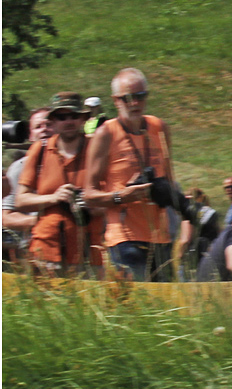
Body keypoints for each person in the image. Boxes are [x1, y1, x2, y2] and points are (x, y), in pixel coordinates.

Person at [85, 69, 175, 281]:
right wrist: (122, 196)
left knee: (166, 308)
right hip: (124, 239)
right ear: (115, 101)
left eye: (140, 96)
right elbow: (88, 195)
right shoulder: (105, 134)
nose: (134, 103)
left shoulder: (159, 128)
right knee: (135, 308)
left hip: (160, 237)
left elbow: (170, 179)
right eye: (127, 98)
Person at [13, 93, 98, 276]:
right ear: (53, 121)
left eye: (74, 116)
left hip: (89, 251)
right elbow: (20, 200)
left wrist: (87, 202)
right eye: (62, 117)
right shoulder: (41, 150)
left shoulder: (96, 148)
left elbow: (111, 199)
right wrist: (55, 197)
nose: (68, 121)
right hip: (46, 250)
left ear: (83, 119)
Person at [3, 108, 56, 260]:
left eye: (49, 124)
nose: (44, 130)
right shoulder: (20, 168)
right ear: (30, 136)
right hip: (34, 249)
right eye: (38, 127)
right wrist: (41, 221)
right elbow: (6, 217)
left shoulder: (79, 162)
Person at [176, 187, 221, 281]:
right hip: (211, 257)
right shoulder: (211, 212)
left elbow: (185, 240)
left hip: (194, 260)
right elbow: (220, 233)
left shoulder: (190, 214)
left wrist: (180, 258)